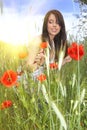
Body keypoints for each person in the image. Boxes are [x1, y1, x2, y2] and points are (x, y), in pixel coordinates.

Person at [26, 9, 72, 79]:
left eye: (58, 23)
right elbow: (27, 68)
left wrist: (64, 60)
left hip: (44, 83)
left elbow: (50, 68)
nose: (54, 25)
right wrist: (39, 63)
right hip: (31, 82)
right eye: (51, 22)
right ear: (46, 24)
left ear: (61, 26)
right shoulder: (37, 40)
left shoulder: (53, 43)